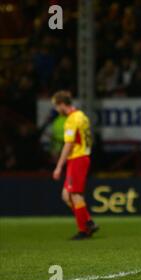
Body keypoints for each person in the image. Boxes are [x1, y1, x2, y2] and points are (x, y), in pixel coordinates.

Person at [51, 90, 99, 240]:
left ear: (61, 104)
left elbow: (69, 144)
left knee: (75, 194)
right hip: (82, 156)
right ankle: (88, 222)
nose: (56, 110)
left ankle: (83, 230)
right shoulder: (82, 116)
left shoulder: (71, 119)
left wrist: (59, 166)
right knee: (66, 196)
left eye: (56, 106)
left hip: (77, 158)